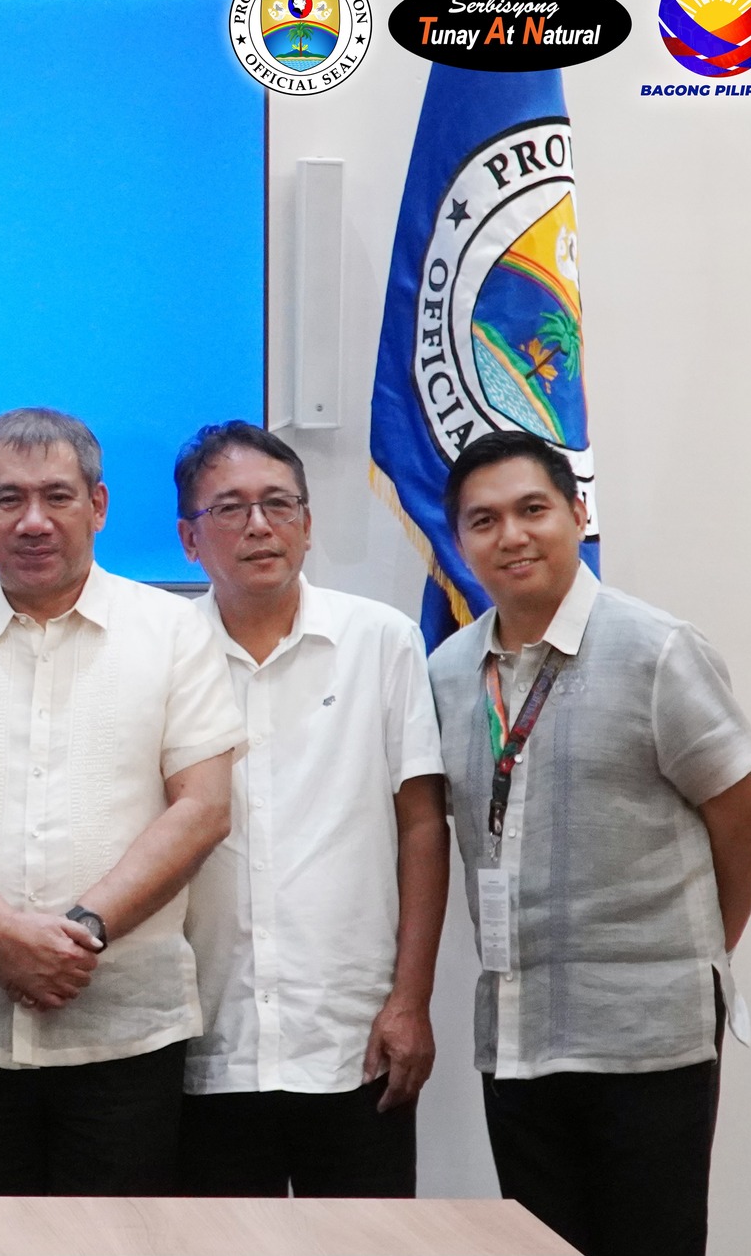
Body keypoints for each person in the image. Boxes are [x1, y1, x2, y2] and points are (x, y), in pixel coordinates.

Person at [0, 407, 244, 1196]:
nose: (33, 521)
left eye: (57, 496)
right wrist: (7, 934)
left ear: (98, 506)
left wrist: (81, 932)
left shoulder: (174, 633)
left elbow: (203, 807)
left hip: (126, 1035)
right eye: (8, 499)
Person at [431, 429, 751, 1256]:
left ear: (578, 514)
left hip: (645, 1032)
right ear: (461, 540)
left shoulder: (656, 649)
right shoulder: (446, 671)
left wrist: (696, 953)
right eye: (483, 520)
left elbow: (743, 817)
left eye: (532, 509)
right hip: (513, 1034)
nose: (510, 535)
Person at [171, 421, 447, 1197]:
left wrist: (411, 1000)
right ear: (191, 538)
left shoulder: (380, 642)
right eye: (230, 508)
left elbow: (422, 826)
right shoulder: (163, 652)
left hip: (355, 1039)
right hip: (208, 1039)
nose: (259, 525)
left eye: (279, 504)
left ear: (308, 523)